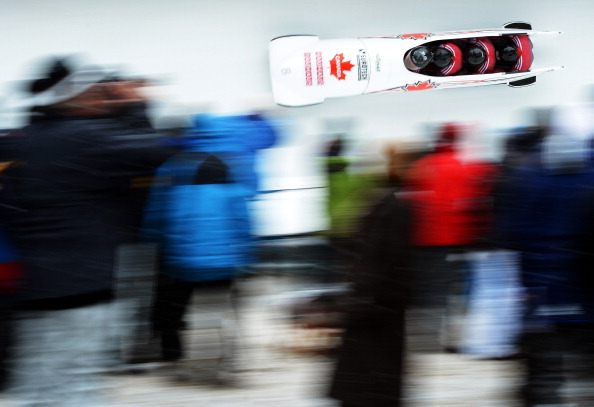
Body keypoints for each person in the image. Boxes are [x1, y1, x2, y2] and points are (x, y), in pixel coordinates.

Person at [0, 56, 175, 407]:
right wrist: (134, 105)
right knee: (75, 386)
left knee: (40, 384)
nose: (101, 98)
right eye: (95, 92)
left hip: (33, 288)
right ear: (72, 97)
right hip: (80, 287)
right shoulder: (83, 137)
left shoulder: (24, 139)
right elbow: (156, 150)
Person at [328, 143, 415, 407]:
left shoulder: (375, 205)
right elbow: (379, 259)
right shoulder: (393, 207)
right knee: (376, 376)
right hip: (380, 307)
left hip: (372, 305)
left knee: (364, 376)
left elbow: (366, 257)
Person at [404, 122, 498, 353]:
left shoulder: (421, 167)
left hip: (428, 240)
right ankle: (461, 338)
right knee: (462, 291)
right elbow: (484, 195)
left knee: (432, 291)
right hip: (463, 239)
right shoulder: (469, 167)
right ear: (457, 141)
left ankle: (430, 340)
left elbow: (411, 204)